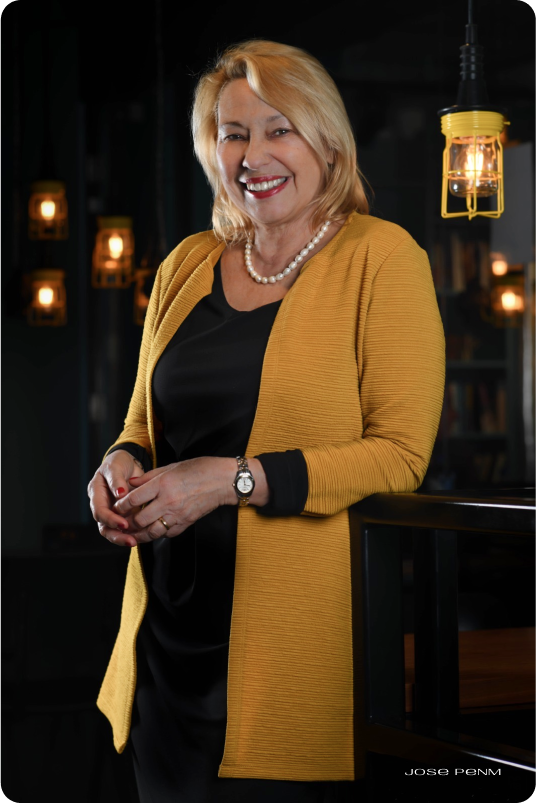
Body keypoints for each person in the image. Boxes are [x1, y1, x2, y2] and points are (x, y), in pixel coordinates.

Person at [87, 39, 445, 803]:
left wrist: (232, 481)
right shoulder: (185, 265)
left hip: (291, 662)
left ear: (325, 139)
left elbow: (400, 455)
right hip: (164, 657)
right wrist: (119, 458)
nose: (254, 152)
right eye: (233, 132)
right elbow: (141, 422)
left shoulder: (384, 258)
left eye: (278, 128)